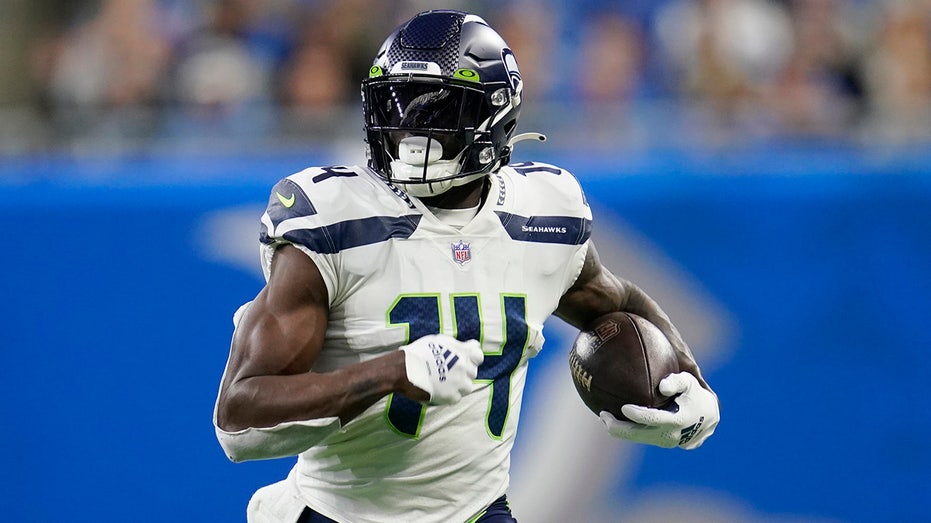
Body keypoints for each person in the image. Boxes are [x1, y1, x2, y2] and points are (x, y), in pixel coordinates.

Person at [214, 10, 720, 523]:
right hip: (339, 512)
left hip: (477, 511)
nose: (411, 128)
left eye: (439, 108)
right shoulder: (336, 216)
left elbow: (614, 301)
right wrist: (392, 372)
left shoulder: (543, 212)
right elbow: (238, 418)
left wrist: (688, 379)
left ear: (494, 115)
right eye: (400, 101)